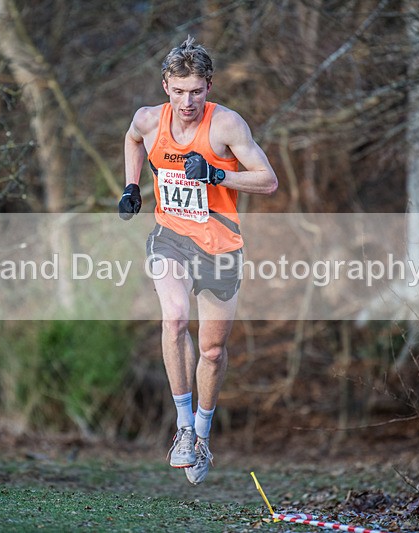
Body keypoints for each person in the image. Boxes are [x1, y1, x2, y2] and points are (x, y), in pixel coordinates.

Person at [119, 36, 278, 485]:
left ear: (209, 87)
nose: (187, 101)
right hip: (170, 237)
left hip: (220, 246)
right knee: (173, 319)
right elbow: (132, 140)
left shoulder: (226, 126)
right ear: (166, 84)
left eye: (197, 91)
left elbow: (267, 181)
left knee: (211, 350)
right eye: (179, 90)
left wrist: (216, 173)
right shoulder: (148, 120)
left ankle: (203, 435)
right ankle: (184, 428)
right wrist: (132, 186)